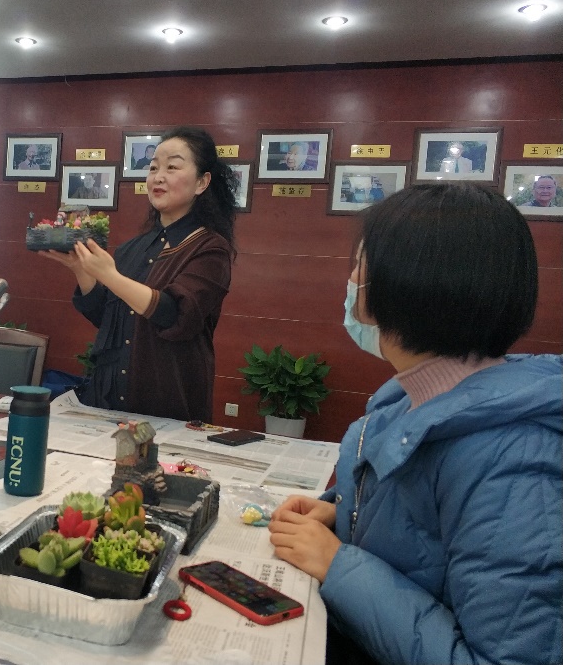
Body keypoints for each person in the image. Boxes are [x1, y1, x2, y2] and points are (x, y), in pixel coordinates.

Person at [267, 183, 562, 665]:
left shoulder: (514, 459)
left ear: (412, 284)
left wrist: (338, 564)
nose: (351, 281)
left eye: (360, 266)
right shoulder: (406, 399)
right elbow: (420, 533)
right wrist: (341, 513)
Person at [39, 126, 238, 422]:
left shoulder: (210, 249)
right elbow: (106, 317)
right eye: (153, 168)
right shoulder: (133, 248)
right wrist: (82, 269)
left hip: (167, 400)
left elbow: (176, 315)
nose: (158, 177)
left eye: (172, 167)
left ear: (202, 182)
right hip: (107, 398)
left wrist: (111, 276)